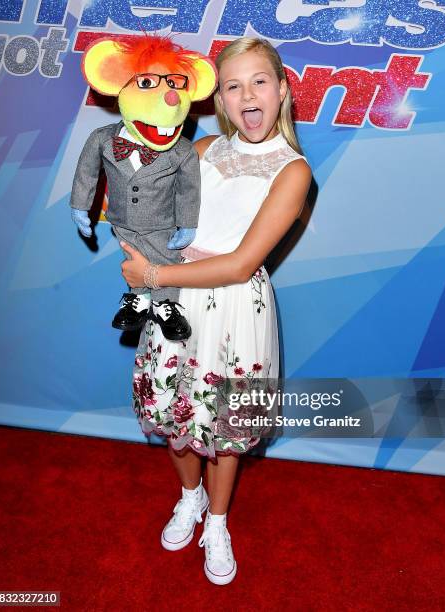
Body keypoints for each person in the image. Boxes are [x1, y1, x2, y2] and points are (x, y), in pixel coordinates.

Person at [120, 37, 312, 585]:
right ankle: (190, 496)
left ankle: (219, 522)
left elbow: (239, 262)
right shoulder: (201, 151)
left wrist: (154, 276)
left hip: (233, 308)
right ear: (220, 101)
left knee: (224, 427)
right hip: (178, 303)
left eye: (258, 81)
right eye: (233, 85)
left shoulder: (293, 172)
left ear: (281, 90)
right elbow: (156, 216)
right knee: (177, 412)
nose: (247, 94)